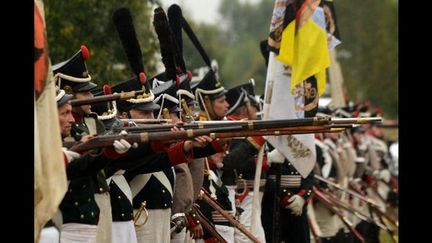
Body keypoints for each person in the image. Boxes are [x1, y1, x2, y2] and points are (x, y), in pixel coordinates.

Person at [53, 46, 132, 243]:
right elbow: (76, 168)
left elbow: (89, 166)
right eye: (85, 93)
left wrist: (110, 153)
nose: (92, 98)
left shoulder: (88, 125)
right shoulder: (53, 137)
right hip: (67, 220)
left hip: (91, 214)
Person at [223, 81, 267, 243]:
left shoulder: (244, 128)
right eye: (253, 106)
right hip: (244, 195)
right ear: (244, 108)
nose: (256, 110)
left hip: (253, 196)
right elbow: (233, 163)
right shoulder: (234, 128)